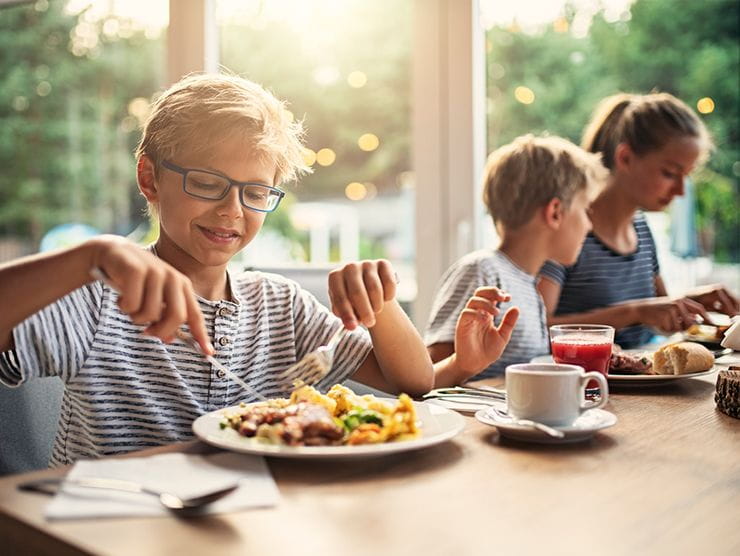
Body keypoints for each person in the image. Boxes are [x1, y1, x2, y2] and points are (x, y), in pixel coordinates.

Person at [0, 73, 490, 466]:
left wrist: (380, 301)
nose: (232, 209)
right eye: (208, 182)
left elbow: (412, 383)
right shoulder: (99, 299)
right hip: (118, 529)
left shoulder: (281, 306)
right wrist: (87, 258)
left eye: (255, 193)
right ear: (149, 179)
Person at [538, 93, 739, 348]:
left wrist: (688, 302)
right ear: (625, 158)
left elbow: (655, 313)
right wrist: (633, 312)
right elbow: (536, 329)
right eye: (669, 173)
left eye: (686, 176)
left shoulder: (641, 228)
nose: (680, 191)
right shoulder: (569, 227)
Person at [425, 134, 609, 382]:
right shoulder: (483, 271)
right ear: (555, 212)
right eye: (586, 209)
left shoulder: (529, 286)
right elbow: (427, 377)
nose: (589, 224)